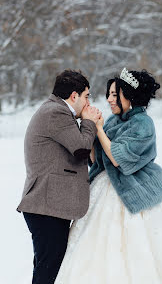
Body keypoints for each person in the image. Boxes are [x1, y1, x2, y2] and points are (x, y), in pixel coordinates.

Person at [55, 68, 162, 284]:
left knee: (140, 244)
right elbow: (96, 157)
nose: (109, 99)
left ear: (130, 96)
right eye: (109, 94)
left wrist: (98, 128)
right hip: (104, 186)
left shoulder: (143, 124)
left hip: (135, 188)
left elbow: (119, 158)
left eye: (114, 94)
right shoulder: (113, 121)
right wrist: (88, 127)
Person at [17, 70, 102, 284]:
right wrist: (89, 122)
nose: (88, 101)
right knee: (48, 270)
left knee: (49, 267)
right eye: (87, 96)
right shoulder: (55, 112)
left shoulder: (54, 110)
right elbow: (81, 148)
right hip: (46, 207)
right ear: (75, 96)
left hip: (49, 206)